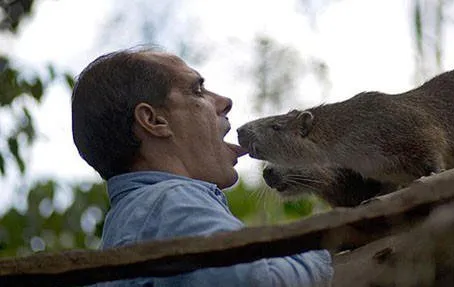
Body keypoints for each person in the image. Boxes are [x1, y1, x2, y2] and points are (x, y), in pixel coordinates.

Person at [71, 46, 333, 287]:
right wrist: (326, 244)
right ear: (153, 120)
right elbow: (261, 282)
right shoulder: (170, 202)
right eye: (197, 90)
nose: (225, 101)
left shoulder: (136, 217)